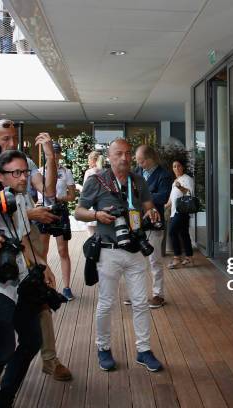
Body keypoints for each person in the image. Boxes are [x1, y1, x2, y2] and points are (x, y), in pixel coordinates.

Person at [0, 150, 58, 408]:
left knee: (32, 340)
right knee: (5, 347)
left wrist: (42, 264)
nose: (22, 177)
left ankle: (5, 396)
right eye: (15, 173)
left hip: (19, 282)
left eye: (25, 172)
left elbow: (22, 239)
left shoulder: (21, 199)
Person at [75, 138, 164, 372]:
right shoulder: (97, 181)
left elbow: (147, 204)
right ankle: (103, 348)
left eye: (127, 154)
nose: (124, 158)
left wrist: (152, 212)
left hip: (135, 250)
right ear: (110, 156)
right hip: (108, 251)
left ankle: (144, 350)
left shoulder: (137, 180)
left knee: (140, 303)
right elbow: (78, 211)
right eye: (118, 154)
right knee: (106, 304)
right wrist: (96, 216)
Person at [133, 145, 172, 308]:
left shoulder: (164, 174)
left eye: (141, 161)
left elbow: (163, 197)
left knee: (154, 260)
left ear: (150, 159)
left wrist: (141, 195)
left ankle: (158, 295)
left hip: (154, 224)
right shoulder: (137, 171)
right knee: (135, 261)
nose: (139, 164)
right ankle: (137, 295)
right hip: (136, 222)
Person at [37, 142, 76, 301]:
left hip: (59, 211)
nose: (54, 155)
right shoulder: (39, 172)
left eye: (57, 152)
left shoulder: (66, 171)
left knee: (62, 251)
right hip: (43, 211)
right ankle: (44, 285)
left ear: (59, 154)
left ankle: (66, 287)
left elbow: (72, 196)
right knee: (42, 252)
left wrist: (58, 198)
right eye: (52, 152)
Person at [165, 159, 195, 268]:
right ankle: (189, 258)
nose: (176, 168)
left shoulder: (187, 179)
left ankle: (177, 258)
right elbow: (171, 199)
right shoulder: (175, 181)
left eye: (178, 166)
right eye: (174, 166)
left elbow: (188, 193)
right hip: (175, 212)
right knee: (184, 234)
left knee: (172, 232)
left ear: (182, 167)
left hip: (182, 211)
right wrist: (164, 206)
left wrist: (179, 186)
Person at [83, 151, 104, 236]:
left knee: (91, 236)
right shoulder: (105, 171)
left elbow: (85, 190)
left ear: (93, 160)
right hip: (102, 205)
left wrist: (77, 187)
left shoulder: (89, 172)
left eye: (89, 160)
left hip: (91, 205)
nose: (88, 162)